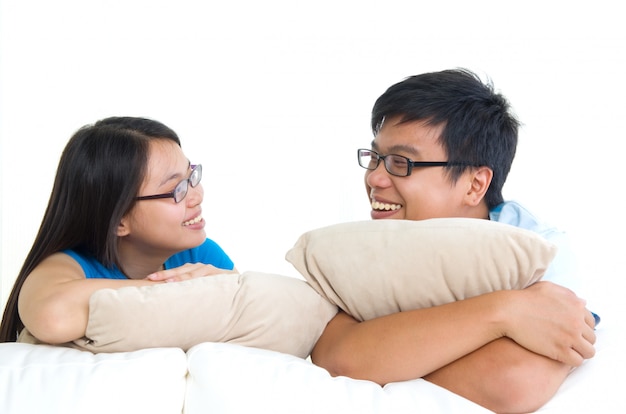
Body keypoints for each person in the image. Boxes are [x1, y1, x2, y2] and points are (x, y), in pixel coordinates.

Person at [311, 69, 598, 413]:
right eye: (375, 158)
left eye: (401, 162)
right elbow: (335, 355)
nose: (374, 177)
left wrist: (387, 352)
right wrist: (504, 312)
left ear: (475, 185)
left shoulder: (538, 250)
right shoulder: (367, 245)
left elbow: (511, 381)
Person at [0, 116, 236, 344]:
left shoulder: (201, 254)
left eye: (191, 176)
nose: (197, 195)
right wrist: (190, 289)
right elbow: (52, 316)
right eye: (177, 189)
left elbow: (241, 311)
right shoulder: (68, 267)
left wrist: (221, 284)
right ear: (118, 220)